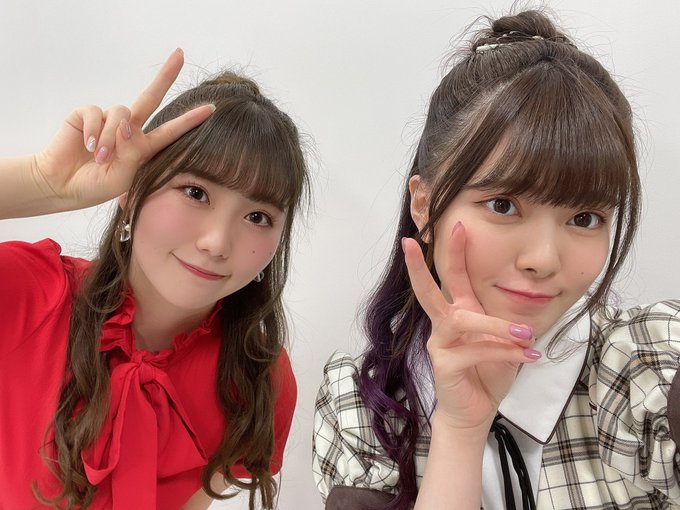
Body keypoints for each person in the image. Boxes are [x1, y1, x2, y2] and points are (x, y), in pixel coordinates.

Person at [312, 9, 680, 510]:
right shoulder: (364, 407)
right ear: (424, 205)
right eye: (503, 205)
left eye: (585, 217)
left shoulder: (645, 369)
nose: (542, 259)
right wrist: (460, 430)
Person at [0, 49, 308, 510]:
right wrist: (42, 181)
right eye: (195, 192)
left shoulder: (257, 376)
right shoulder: (31, 294)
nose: (216, 242)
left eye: (258, 216)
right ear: (131, 189)